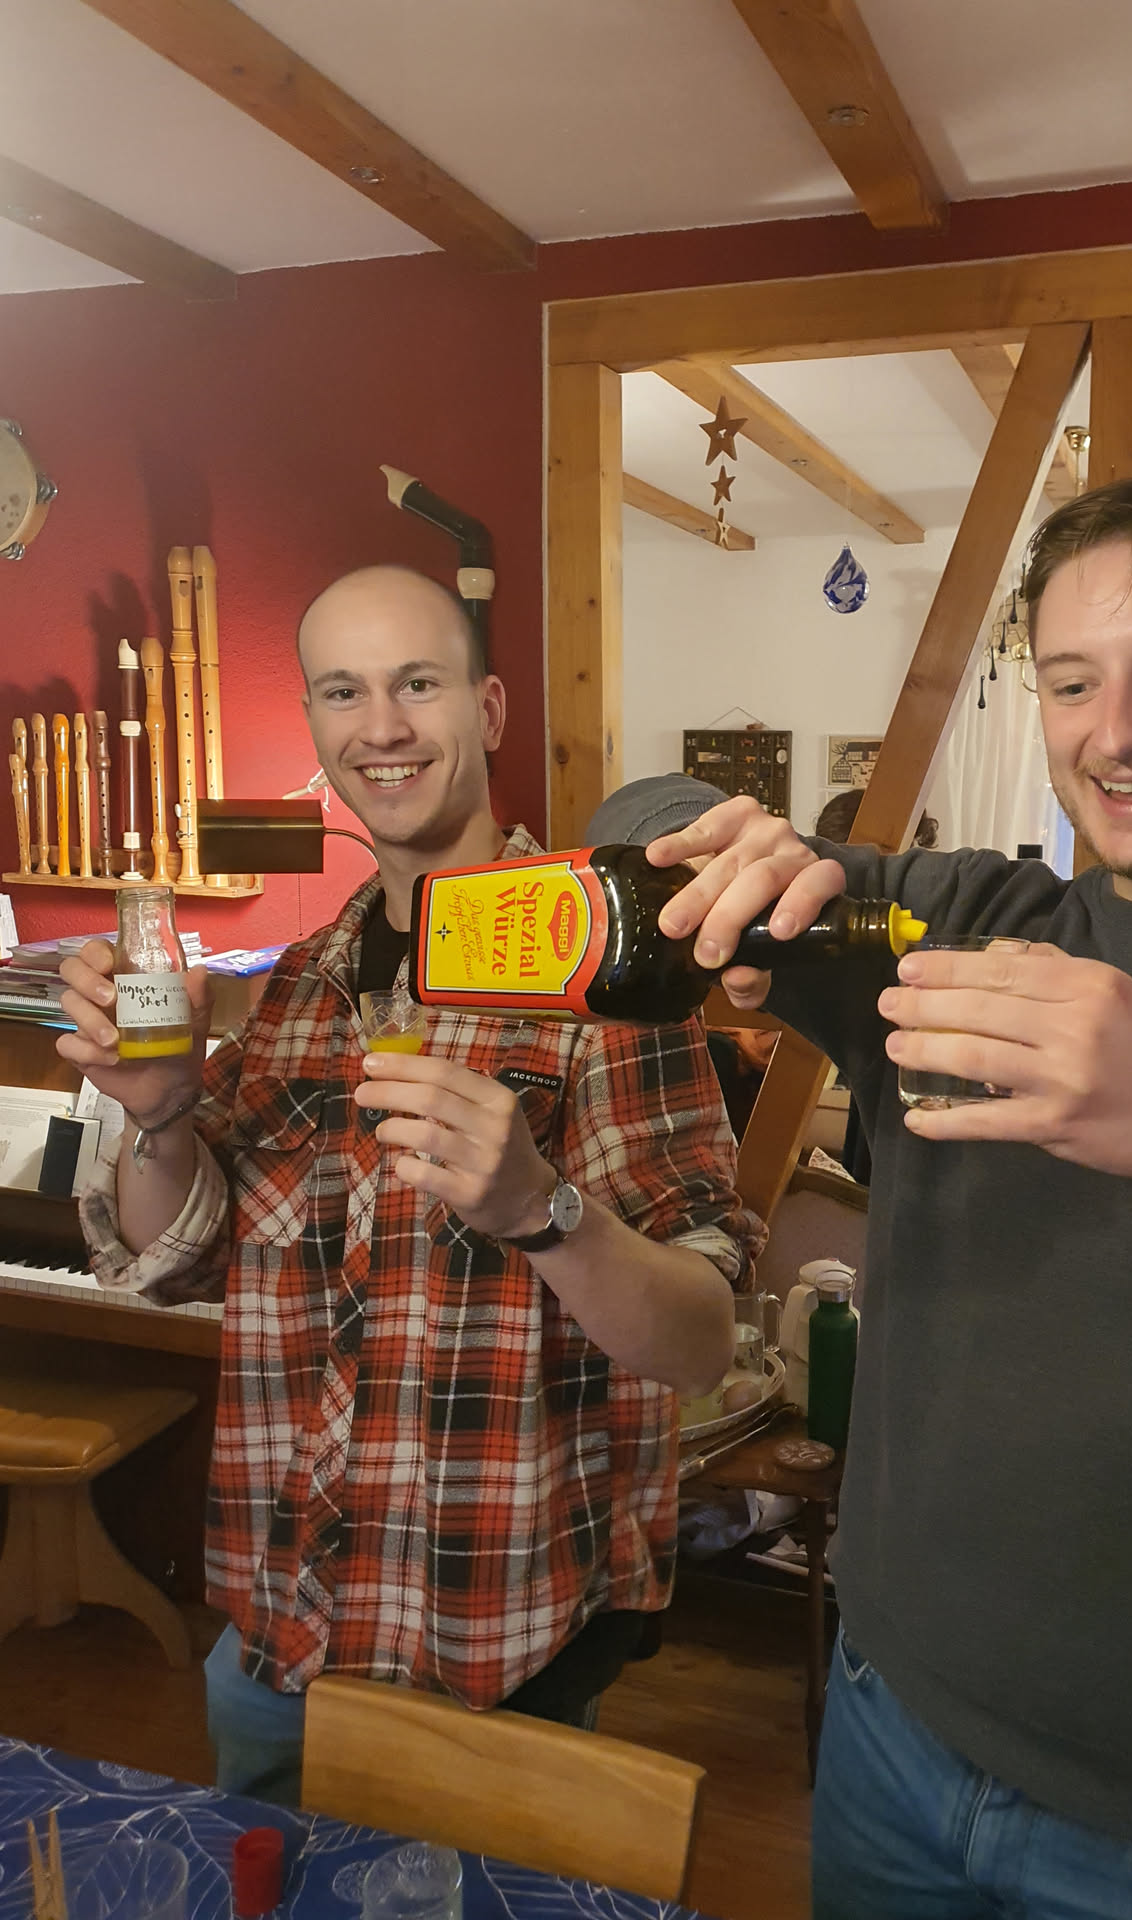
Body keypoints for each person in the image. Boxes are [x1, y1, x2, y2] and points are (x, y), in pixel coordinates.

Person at [634, 473, 1132, 1919]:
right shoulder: (954, 920)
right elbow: (641, 832)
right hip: (888, 1725)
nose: (1115, 731)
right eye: (1071, 682)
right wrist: (712, 841)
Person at [58, 565, 761, 1804]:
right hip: (281, 1628)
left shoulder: (604, 976)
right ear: (316, 725)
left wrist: (539, 1210)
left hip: (498, 1644)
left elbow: (700, 1340)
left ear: (487, 710)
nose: (381, 726)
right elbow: (178, 1259)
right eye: (344, 692)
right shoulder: (302, 981)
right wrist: (158, 1115)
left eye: (416, 684)